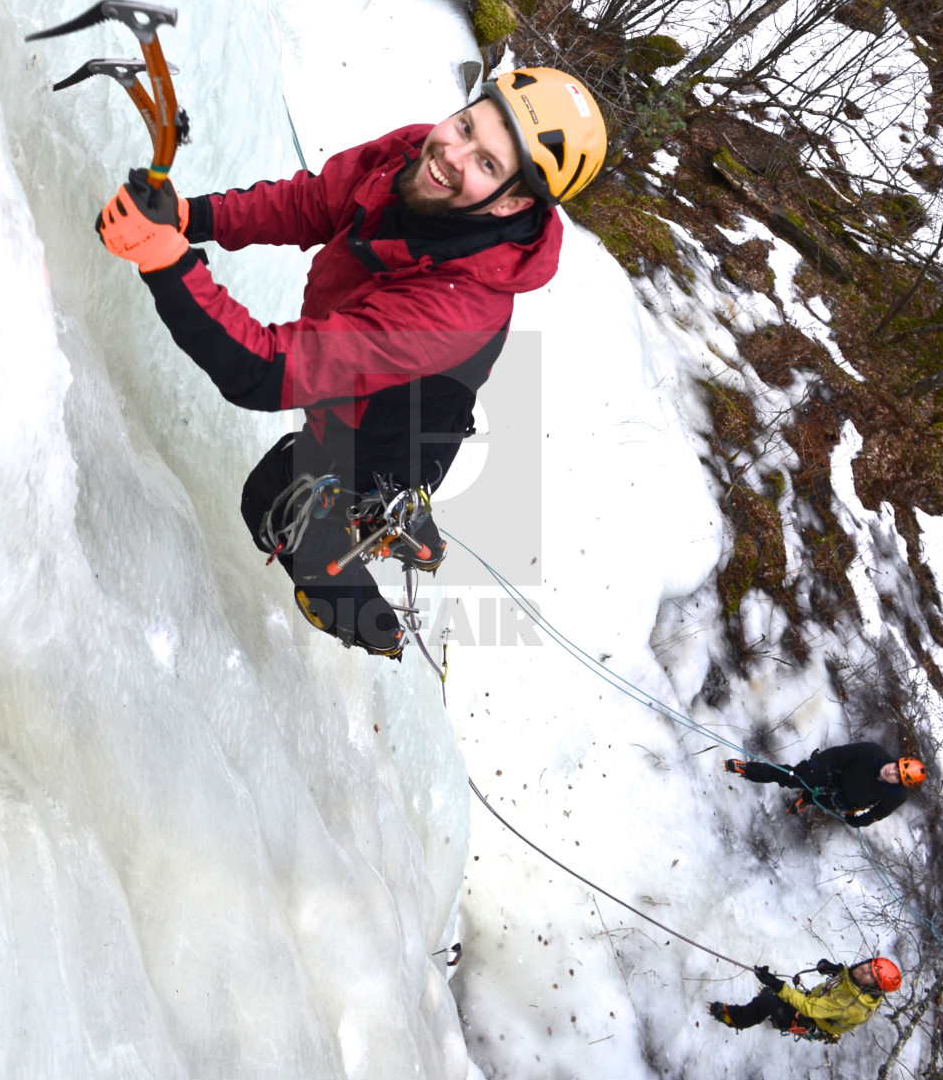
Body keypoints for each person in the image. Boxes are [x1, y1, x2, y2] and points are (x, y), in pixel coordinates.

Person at [95, 67, 608, 656]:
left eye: (487, 163)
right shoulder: (416, 156)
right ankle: (403, 516)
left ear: (514, 202)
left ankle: (370, 622)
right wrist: (193, 218)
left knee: (270, 497)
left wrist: (166, 259)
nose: (452, 153)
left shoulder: (455, 308)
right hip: (401, 387)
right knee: (333, 478)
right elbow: (311, 204)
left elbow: (264, 368)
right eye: (466, 125)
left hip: (393, 430)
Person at [723, 744, 925, 826]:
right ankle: (748, 769)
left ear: (901, 783)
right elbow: (837, 754)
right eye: (895, 767)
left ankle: (807, 799)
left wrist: (860, 821)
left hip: (844, 799)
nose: (890, 771)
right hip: (833, 774)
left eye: (897, 776)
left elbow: (877, 814)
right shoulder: (873, 753)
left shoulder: (897, 797)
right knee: (791, 776)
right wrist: (814, 764)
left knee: (818, 799)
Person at [708, 956, 901, 1039]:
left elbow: (808, 1008)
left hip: (811, 1017)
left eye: (869, 974)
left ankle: (733, 1018)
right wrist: (835, 969)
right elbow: (848, 981)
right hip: (816, 1003)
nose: (863, 969)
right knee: (774, 996)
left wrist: (777, 984)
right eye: (868, 965)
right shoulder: (859, 985)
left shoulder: (850, 1006)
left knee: (766, 1002)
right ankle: (777, 1015)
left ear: (874, 986)